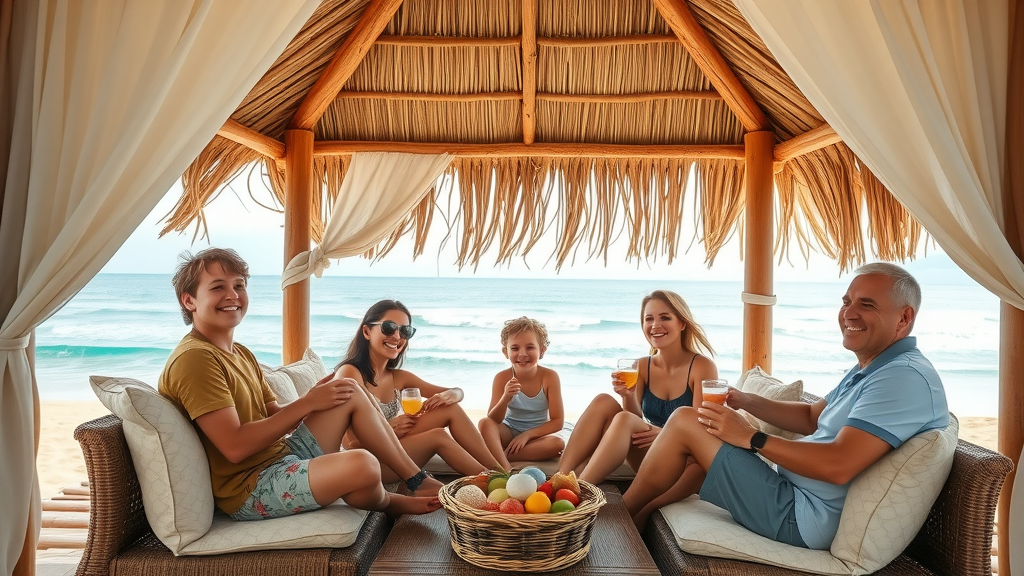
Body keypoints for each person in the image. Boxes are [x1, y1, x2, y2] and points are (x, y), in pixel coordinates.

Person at [623, 263, 949, 551]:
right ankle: (629, 523)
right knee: (690, 424)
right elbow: (810, 417)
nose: (849, 313)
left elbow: (839, 465)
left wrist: (752, 438)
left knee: (684, 420)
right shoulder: (873, 367)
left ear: (904, 317)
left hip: (799, 516)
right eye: (846, 302)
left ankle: (619, 515)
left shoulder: (902, 378)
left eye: (867, 304)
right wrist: (745, 399)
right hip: (789, 493)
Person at [158, 248, 443, 522]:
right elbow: (234, 447)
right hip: (250, 488)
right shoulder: (195, 359)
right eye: (218, 287)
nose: (233, 295)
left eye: (239, 286)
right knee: (363, 463)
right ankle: (388, 502)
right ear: (189, 301)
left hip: (280, 457)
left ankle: (416, 480)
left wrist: (314, 398)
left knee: (348, 391)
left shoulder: (240, 352)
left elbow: (273, 412)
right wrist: (308, 404)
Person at [558, 290, 717, 500]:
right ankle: (560, 480)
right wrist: (628, 395)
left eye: (665, 317)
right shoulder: (642, 365)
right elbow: (633, 420)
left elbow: (696, 431)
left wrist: (663, 432)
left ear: (682, 323)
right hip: (649, 454)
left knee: (623, 418)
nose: (655, 325)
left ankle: (579, 492)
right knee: (603, 401)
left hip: (683, 461)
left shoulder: (701, 366)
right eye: (648, 319)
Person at [335, 299, 504, 476]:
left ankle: (500, 473)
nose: (397, 337)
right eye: (389, 327)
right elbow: (350, 443)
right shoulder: (350, 373)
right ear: (367, 331)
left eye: (405, 331)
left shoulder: (399, 378)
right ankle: (494, 482)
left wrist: (453, 394)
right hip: (367, 463)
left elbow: (456, 392)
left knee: (450, 408)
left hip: (395, 450)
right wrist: (387, 428)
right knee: (438, 436)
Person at [478, 317, 565, 467]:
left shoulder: (549, 377)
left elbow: (557, 421)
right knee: (484, 423)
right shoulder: (502, 378)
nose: (522, 354)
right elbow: (493, 419)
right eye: (515, 348)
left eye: (530, 347)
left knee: (557, 443)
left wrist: (527, 435)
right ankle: (504, 468)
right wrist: (505, 397)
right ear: (506, 352)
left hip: (537, 436)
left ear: (542, 350)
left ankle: (500, 456)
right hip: (509, 431)